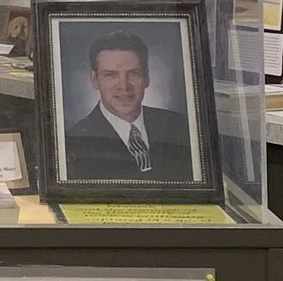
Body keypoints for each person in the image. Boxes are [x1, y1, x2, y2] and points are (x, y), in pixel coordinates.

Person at [62, 32, 193, 181]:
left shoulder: (178, 125)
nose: (124, 86)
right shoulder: (73, 142)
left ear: (146, 78)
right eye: (111, 75)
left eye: (133, 74)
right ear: (95, 80)